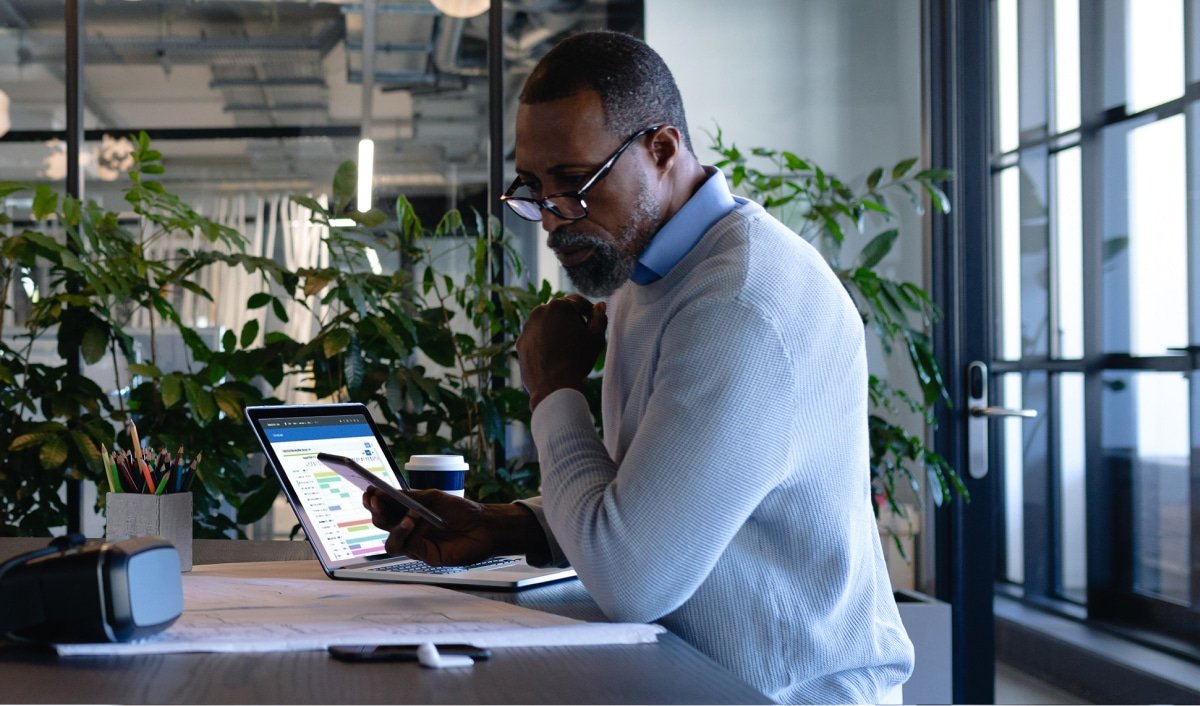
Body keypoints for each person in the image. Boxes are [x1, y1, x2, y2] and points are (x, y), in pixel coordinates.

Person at [365, 30, 914, 704]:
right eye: (533, 188)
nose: (553, 218)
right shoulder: (650, 274)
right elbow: (658, 504)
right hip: (693, 681)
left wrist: (553, 387)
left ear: (661, 150)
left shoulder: (737, 304)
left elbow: (633, 580)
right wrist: (510, 525)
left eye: (574, 182)